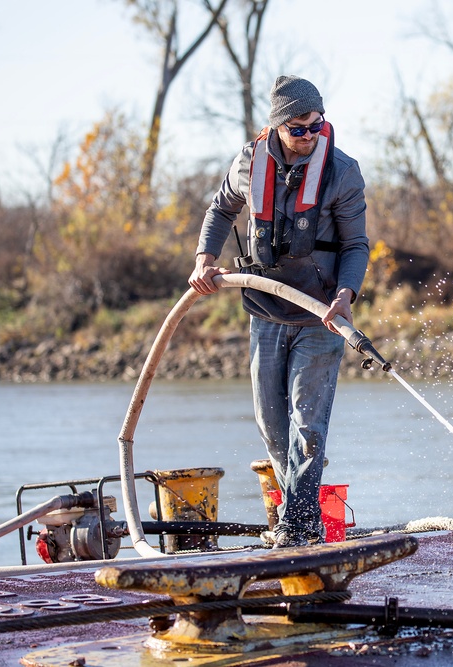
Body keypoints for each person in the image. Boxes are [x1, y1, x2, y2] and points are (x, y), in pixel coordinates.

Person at [188, 75, 369, 548]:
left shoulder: (343, 172)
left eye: (316, 125)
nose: (308, 136)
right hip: (265, 311)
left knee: (307, 426)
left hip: (321, 316)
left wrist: (346, 294)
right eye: (298, 128)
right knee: (272, 424)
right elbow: (220, 209)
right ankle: (298, 513)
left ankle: (299, 524)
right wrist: (205, 258)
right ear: (277, 127)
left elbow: (355, 245)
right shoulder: (249, 162)